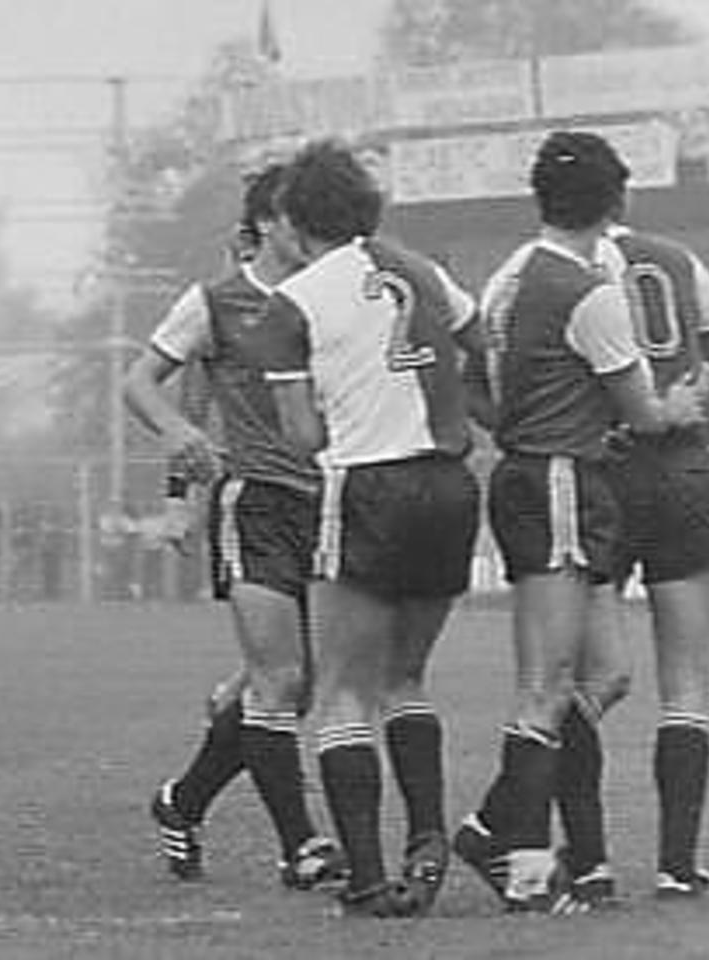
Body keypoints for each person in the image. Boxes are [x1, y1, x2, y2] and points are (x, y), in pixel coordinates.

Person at [453, 131, 706, 912]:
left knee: (602, 676)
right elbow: (645, 413)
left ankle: (495, 827)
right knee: (545, 687)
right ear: (617, 200)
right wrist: (680, 406)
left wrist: (525, 421)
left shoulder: (506, 277)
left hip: (535, 475)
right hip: (563, 480)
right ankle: (523, 872)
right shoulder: (589, 292)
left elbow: (476, 389)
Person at [258, 139, 485, 918]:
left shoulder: (292, 303)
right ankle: (427, 834)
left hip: (367, 486)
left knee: (341, 690)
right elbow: (480, 347)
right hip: (449, 485)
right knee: (406, 679)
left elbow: (300, 436)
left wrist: (348, 411)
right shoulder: (423, 271)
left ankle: (365, 879)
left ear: (294, 223)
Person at [124, 163, 342, 892]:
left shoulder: (332, 296)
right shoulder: (215, 302)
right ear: (268, 224)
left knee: (292, 687)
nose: (311, 229)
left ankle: (182, 803)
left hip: (330, 505)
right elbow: (142, 382)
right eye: (297, 215)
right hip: (258, 503)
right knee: (281, 680)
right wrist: (180, 454)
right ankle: (302, 848)